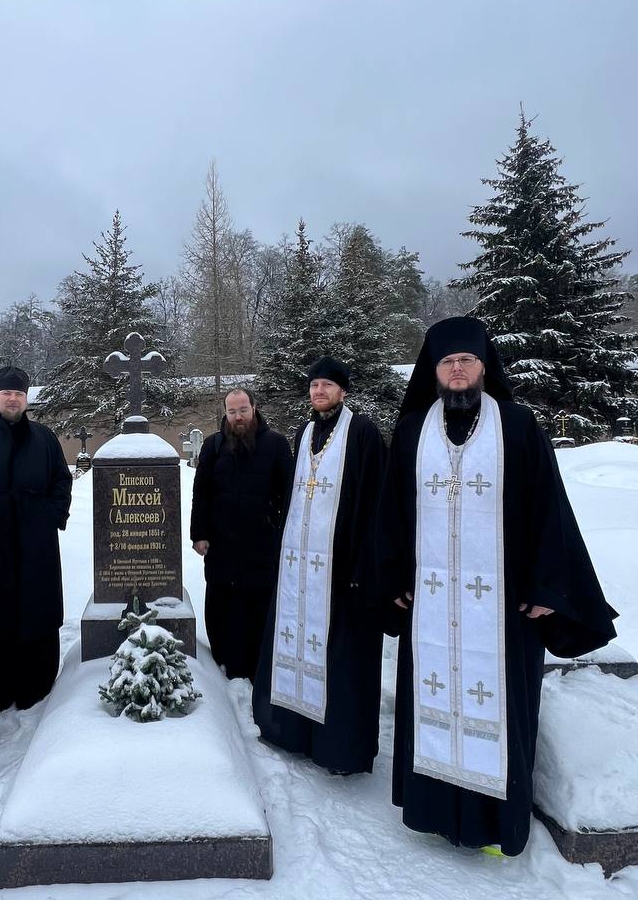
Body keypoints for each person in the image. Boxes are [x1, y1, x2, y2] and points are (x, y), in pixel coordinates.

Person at [377, 316, 617, 855]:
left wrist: (545, 587)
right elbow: (390, 512)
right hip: (433, 605)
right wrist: (392, 578)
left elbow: (549, 509)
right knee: (432, 702)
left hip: (505, 609)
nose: (457, 369)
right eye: (447, 362)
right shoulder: (413, 430)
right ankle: (433, 813)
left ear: (484, 366)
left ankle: (495, 825)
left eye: (466, 360)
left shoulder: (518, 424)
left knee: (501, 711)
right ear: (433, 370)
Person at [253, 358, 388, 774]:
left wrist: (363, 564)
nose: (319, 392)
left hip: (341, 569)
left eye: (327, 385)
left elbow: (375, 501)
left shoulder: (362, 432)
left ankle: (338, 749)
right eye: (314, 386)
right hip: (300, 566)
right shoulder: (305, 432)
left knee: (340, 659)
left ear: (343, 391)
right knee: (295, 644)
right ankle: (291, 733)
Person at [0, 365, 72, 712]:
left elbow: (61, 481)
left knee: (36, 610)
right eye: (6, 393)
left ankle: (36, 685)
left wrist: (50, 515)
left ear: (26, 400)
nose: (12, 399)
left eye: (18, 394)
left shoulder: (45, 438)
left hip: (36, 543)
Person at [190, 388, 294, 679]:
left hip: (261, 547)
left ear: (254, 408)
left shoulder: (276, 444)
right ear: (225, 412)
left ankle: (258, 671)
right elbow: (201, 493)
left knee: (257, 610)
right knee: (222, 610)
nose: (238, 417)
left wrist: (280, 531)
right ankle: (225, 670)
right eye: (232, 411)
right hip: (222, 547)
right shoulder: (213, 445)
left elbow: (288, 495)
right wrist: (199, 534)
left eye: (243, 410)